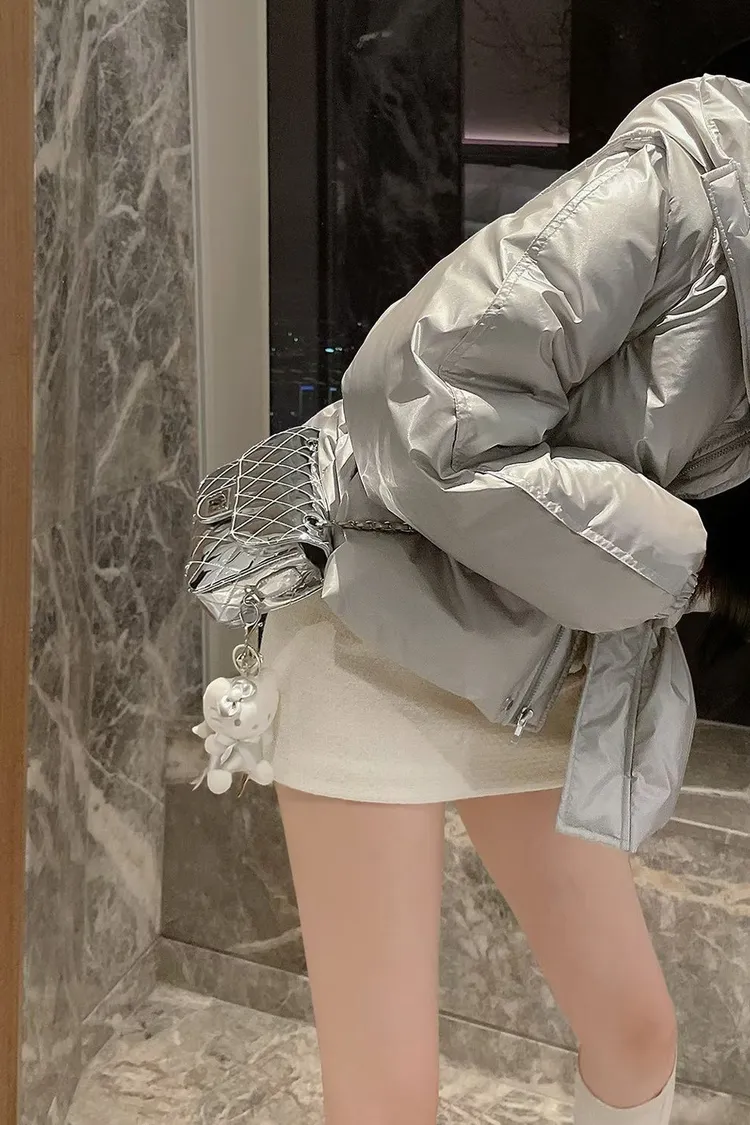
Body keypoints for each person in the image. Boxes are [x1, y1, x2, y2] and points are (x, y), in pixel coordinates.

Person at [260, 75, 750, 1124]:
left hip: (528, 648)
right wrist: (680, 559)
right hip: (375, 611)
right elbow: (423, 407)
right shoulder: (679, 190)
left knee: (637, 1034)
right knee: (387, 1101)